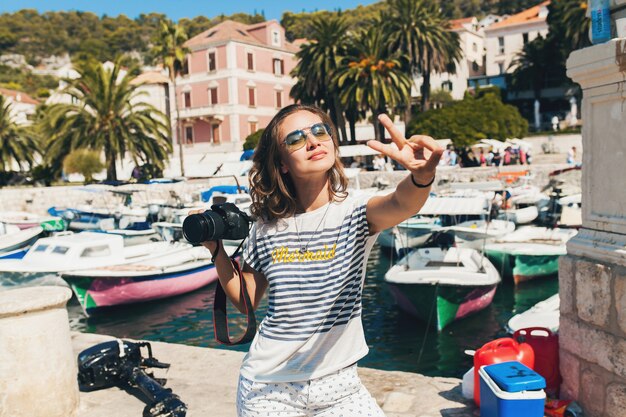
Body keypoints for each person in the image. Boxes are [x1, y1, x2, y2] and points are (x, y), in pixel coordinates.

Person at [192, 104, 442, 416]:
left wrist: (422, 176)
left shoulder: (356, 213)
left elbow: (401, 202)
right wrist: (217, 252)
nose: (313, 141)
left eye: (319, 131)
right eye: (296, 139)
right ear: (282, 163)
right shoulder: (266, 228)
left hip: (340, 386)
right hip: (268, 388)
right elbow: (247, 301)